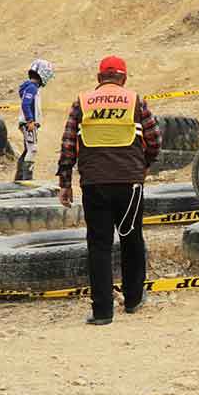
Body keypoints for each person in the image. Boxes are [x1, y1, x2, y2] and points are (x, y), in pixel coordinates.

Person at [57, 55, 161, 325]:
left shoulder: (82, 102)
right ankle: (134, 299)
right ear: (123, 78)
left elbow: (68, 144)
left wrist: (65, 183)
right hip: (130, 183)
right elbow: (154, 140)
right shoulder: (135, 100)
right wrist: (143, 166)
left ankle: (102, 311)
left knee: (99, 245)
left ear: (99, 78)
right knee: (132, 239)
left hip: (94, 184)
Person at [15, 59, 55, 181]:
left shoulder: (32, 87)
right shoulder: (32, 88)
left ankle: (20, 177)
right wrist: (30, 121)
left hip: (28, 122)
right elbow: (26, 104)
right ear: (42, 73)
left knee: (28, 148)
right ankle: (27, 179)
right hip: (28, 123)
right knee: (33, 149)